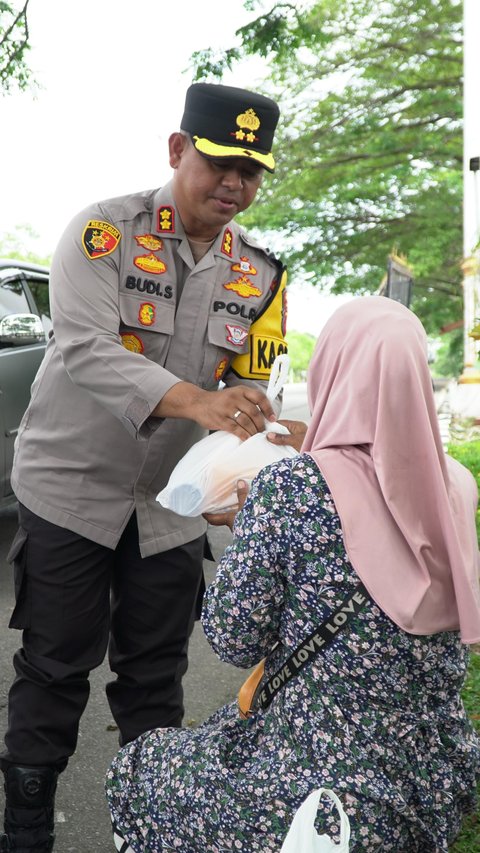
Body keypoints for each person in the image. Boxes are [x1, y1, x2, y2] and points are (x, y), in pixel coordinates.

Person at [0, 82, 288, 852]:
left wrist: (242, 455)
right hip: (71, 490)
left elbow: (248, 386)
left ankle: (153, 823)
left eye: (252, 171)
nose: (236, 183)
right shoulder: (102, 233)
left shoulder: (259, 275)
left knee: (156, 676)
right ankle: (26, 826)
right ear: (177, 150)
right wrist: (197, 401)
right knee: (57, 663)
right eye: (222, 161)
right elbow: (86, 348)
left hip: (170, 507)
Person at [106, 296, 480, 853]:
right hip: (436, 775)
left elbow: (233, 639)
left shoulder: (293, 488)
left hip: (318, 791)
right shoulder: (454, 483)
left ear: (331, 372)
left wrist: (253, 526)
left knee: (139, 767)